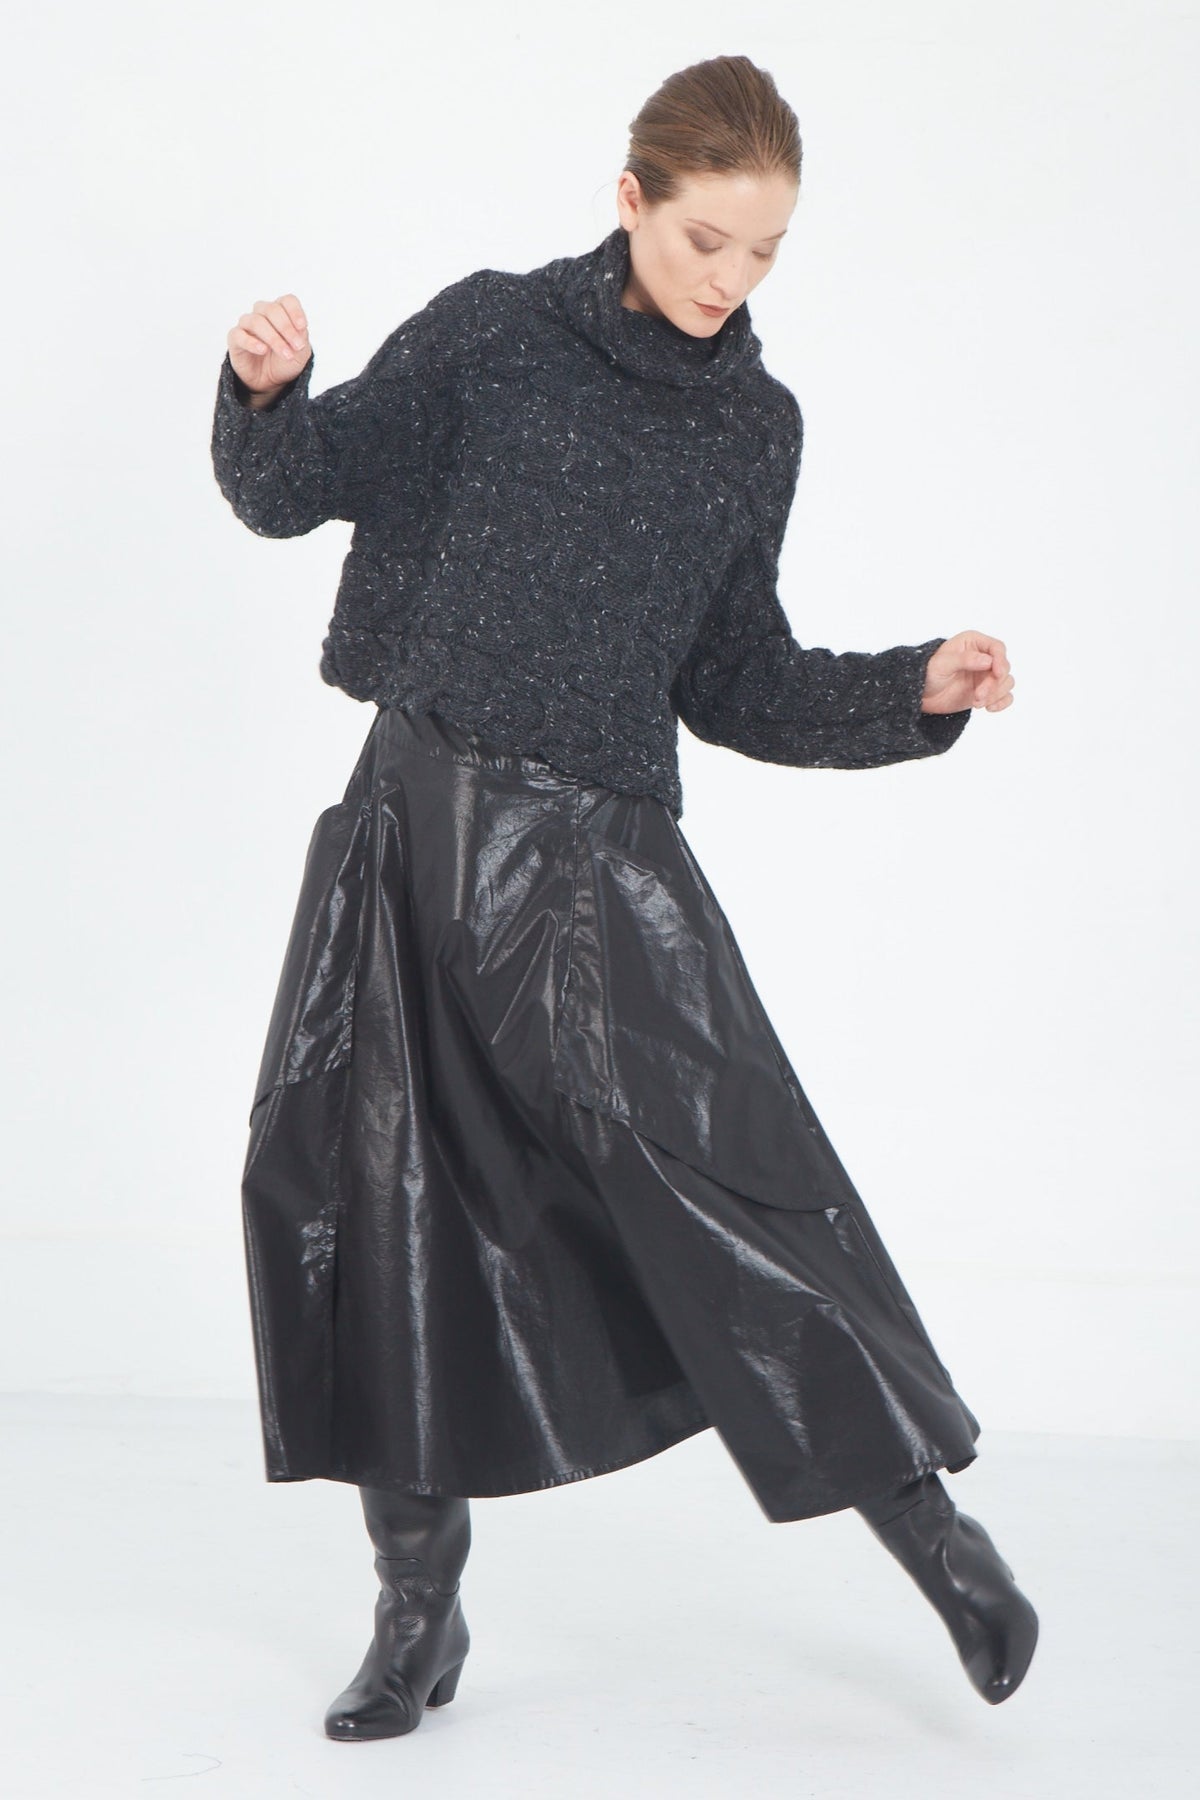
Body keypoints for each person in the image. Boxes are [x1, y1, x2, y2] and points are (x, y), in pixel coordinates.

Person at [210, 54, 1037, 1742]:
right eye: (705, 239)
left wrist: (911, 692)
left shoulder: (752, 428)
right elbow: (293, 490)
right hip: (408, 824)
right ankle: (417, 1611)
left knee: (728, 1192)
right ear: (630, 199)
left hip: (591, 871)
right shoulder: (493, 335)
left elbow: (734, 675)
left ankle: (937, 1543)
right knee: (371, 1197)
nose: (731, 279)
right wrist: (266, 390)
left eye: (765, 252)